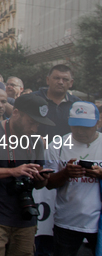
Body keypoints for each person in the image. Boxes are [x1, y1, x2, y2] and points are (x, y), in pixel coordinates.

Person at [0, 94, 55, 256]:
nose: (35, 128)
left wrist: (41, 179)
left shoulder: (36, 141)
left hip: (26, 216)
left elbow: (39, 184)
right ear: (16, 113)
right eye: (31, 122)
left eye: (38, 124)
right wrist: (12, 171)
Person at [45, 101, 102, 256]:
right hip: (67, 222)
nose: (80, 131)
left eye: (86, 126)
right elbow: (48, 183)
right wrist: (65, 173)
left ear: (98, 122)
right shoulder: (58, 145)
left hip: (98, 222)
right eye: (76, 125)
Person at [32, 64, 80, 138]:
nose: (60, 82)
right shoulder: (32, 99)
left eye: (65, 79)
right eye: (57, 78)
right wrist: (34, 138)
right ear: (48, 80)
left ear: (71, 83)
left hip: (67, 148)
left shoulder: (77, 105)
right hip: (37, 147)